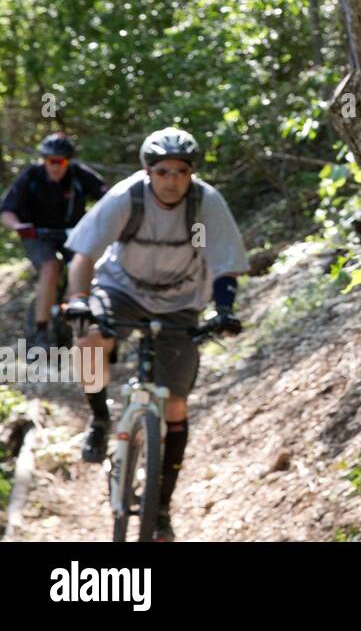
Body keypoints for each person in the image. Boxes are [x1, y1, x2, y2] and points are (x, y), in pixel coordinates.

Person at [62, 127, 249, 541]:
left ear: (191, 173)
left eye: (181, 172)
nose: (171, 180)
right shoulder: (127, 197)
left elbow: (225, 263)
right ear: (148, 172)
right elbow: (84, 253)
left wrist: (225, 309)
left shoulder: (206, 202)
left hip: (181, 301)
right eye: (162, 171)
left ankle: (161, 508)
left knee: (176, 407)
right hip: (121, 288)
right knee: (90, 341)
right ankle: (98, 419)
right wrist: (78, 298)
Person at [1, 132, 109, 354]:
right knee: (51, 266)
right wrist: (18, 227)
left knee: (85, 265)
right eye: (51, 161)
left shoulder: (79, 176)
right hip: (37, 235)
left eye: (61, 161)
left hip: (72, 235)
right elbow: (7, 210)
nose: (56, 166)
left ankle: (80, 323)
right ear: (44, 160)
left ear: (68, 161)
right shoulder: (30, 177)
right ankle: (40, 331)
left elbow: (108, 196)